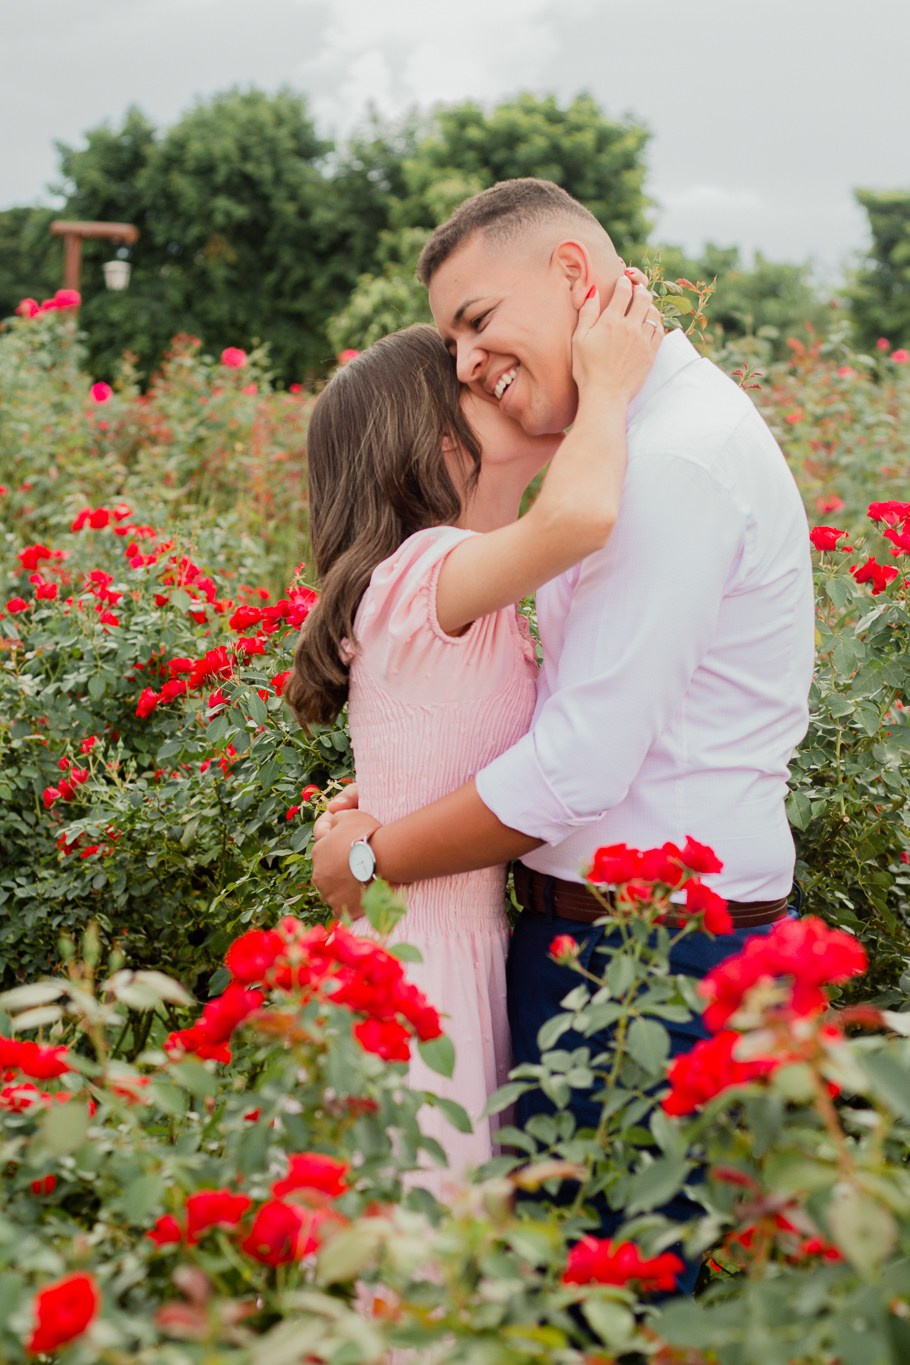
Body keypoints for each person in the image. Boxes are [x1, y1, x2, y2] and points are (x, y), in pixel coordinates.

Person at [310, 178, 816, 1284]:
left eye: (476, 323)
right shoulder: (602, 466)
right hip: (558, 948)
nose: (462, 365)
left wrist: (368, 848)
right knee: (512, 1286)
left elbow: (578, 762)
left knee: (605, 1308)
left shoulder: (663, 460)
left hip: (636, 960)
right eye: (450, 349)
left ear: (575, 279)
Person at [286, 289, 662, 1198]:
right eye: (484, 395)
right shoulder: (424, 572)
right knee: (433, 1265)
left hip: (448, 942)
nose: (508, 389)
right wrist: (608, 388)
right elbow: (576, 519)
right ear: (439, 445)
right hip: (426, 961)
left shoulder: (449, 588)